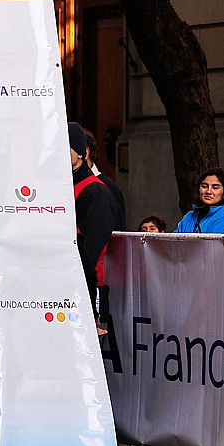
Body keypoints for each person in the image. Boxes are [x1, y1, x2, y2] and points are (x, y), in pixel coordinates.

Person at [70, 122, 124, 333]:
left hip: (88, 289)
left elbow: (92, 250)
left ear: (82, 153)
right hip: (66, 284)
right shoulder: (64, 186)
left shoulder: (95, 191)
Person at [175, 169, 224, 234]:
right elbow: (172, 242)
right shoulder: (189, 216)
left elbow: (210, 243)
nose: (208, 191)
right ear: (199, 190)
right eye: (204, 186)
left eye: (215, 187)